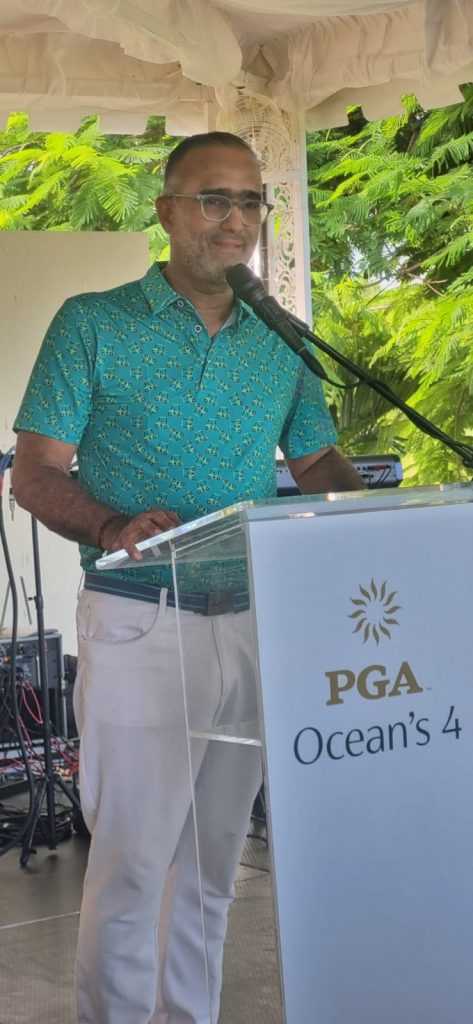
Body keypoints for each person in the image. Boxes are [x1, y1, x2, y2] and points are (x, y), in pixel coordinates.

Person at [12, 131, 362, 1024]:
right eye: (214, 199)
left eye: (250, 201)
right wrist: (110, 526)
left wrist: (380, 521)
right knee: (133, 864)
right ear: (167, 211)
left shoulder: (280, 339)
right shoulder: (93, 323)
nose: (235, 219)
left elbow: (316, 461)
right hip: (139, 618)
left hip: (251, 619)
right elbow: (36, 472)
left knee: (211, 868)